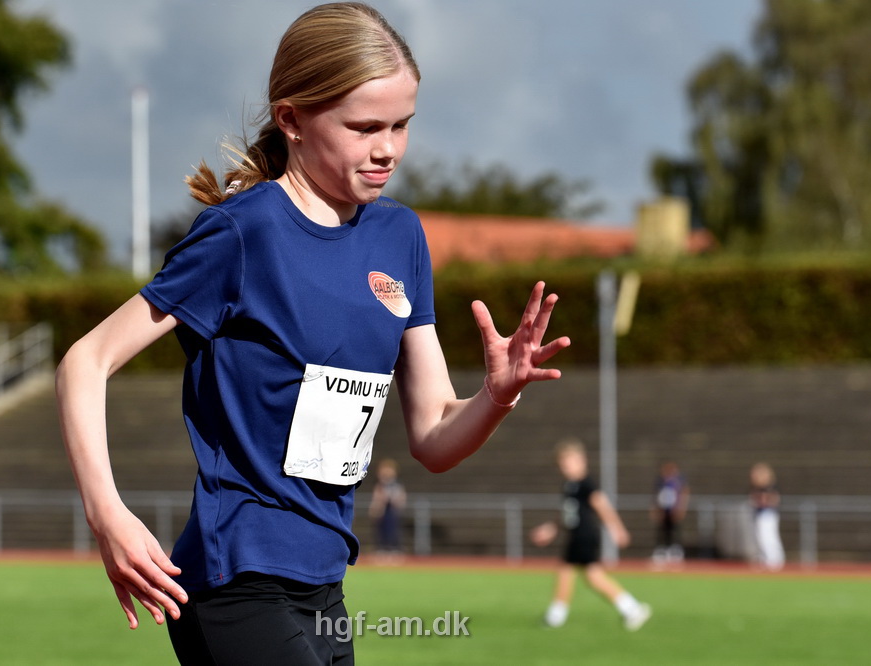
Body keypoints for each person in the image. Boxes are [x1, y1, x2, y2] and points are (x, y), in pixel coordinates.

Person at [54, 3, 571, 663]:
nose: (388, 149)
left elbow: (435, 437)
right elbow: (85, 361)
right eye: (364, 127)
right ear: (292, 119)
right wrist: (108, 515)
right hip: (234, 579)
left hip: (325, 587)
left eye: (402, 124)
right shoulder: (244, 233)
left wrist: (497, 395)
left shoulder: (401, 236)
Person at [530, 439, 651, 631]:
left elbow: (602, 505)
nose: (565, 467)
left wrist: (617, 529)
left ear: (581, 460)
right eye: (562, 463)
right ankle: (631, 608)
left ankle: (556, 615)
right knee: (589, 576)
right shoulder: (569, 485)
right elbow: (566, 513)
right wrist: (551, 529)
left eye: (568, 462)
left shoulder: (587, 483)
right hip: (576, 535)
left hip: (585, 535)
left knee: (569, 571)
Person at [650, 459, 689, 564]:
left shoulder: (678, 481)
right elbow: (656, 495)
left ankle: (675, 550)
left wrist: (681, 507)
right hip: (663, 509)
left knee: (674, 529)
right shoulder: (660, 481)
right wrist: (656, 509)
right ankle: (661, 550)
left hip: (674, 509)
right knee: (662, 530)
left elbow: (684, 494)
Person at [368, 458, 407, 558]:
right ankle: (382, 549)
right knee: (380, 531)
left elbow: (401, 497)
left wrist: (396, 501)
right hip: (382, 511)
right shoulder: (379, 485)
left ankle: (394, 549)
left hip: (392, 510)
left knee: (393, 530)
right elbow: (376, 498)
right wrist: (375, 507)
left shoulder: (396, 485)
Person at [749, 462, 785, 570]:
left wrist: (763, 500)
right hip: (759, 514)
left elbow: (774, 500)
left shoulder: (770, 487)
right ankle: (764, 560)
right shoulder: (757, 488)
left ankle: (774, 561)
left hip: (768, 514)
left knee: (769, 538)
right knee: (760, 538)